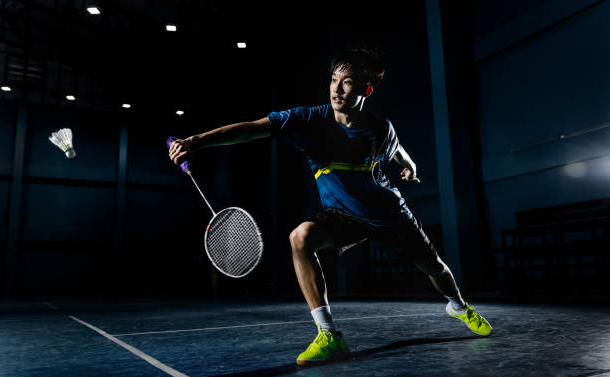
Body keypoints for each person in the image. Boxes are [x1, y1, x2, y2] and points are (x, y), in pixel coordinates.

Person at [168, 46, 492, 365]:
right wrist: (195, 142)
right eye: (334, 79)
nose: (336, 88)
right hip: (343, 215)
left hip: (388, 214)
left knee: (435, 267)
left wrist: (409, 166)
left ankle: (459, 305)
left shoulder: (380, 127)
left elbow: (396, 149)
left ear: (366, 88)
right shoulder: (308, 121)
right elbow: (250, 130)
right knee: (300, 237)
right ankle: (329, 335)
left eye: (347, 81)